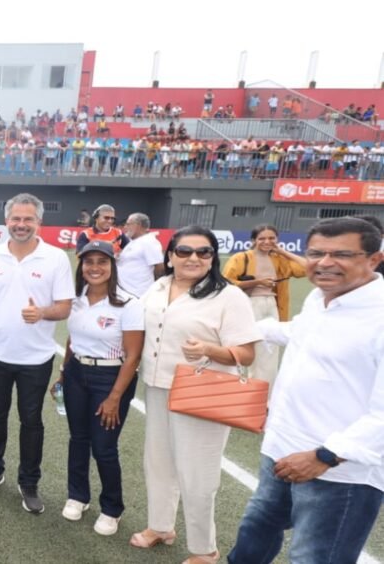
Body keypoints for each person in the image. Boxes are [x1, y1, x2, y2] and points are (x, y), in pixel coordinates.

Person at [228, 217, 384, 564]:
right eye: (316, 253)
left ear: (374, 259)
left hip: (339, 473)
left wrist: (324, 456)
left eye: (341, 254)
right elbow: (301, 331)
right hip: (280, 450)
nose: (325, 263)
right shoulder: (320, 298)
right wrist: (245, 329)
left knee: (314, 557)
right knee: (252, 542)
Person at [132, 225, 261, 563]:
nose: (194, 258)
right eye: (184, 251)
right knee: (158, 463)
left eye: (204, 252)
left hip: (203, 392)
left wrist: (208, 349)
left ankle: (205, 549)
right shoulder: (158, 287)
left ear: (213, 257)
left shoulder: (229, 295)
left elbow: (247, 354)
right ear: (170, 256)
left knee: (197, 475)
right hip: (157, 386)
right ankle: (161, 526)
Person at [0, 193, 74, 514]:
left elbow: (65, 307)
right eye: (16, 218)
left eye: (28, 219)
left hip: (35, 357)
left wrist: (42, 312)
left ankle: (29, 482)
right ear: (7, 221)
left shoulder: (56, 258)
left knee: (31, 420)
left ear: (39, 222)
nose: (21, 224)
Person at [54, 240, 143, 536]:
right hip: (77, 373)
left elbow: (133, 355)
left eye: (102, 262)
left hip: (111, 377)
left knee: (104, 447)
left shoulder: (128, 303)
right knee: (78, 439)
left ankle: (111, 508)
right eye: (88, 262)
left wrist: (115, 397)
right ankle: (78, 496)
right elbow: (72, 339)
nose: (95, 268)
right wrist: (64, 373)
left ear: (112, 266)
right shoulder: (76, 299)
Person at [221, 225, 307, 384]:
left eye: (271, 238)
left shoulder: (279, 259)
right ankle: (249, 386)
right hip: (249, 304)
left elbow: (307, 269)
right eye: (262, 238)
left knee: (271, 350)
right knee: (250, 348)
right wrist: (257, 282)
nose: (267, 242)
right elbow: (226, 282)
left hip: (273, 305)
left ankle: (266, 390)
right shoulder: (241, 258)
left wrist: (283, 252)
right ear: (254, 240)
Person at [117, 213, 166, 298]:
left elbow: (160, 267)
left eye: (128, 224)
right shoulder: (134, 241)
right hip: (124, 292)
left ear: (138, 225)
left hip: (138, 294)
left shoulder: (149, 242)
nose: (125, 227)